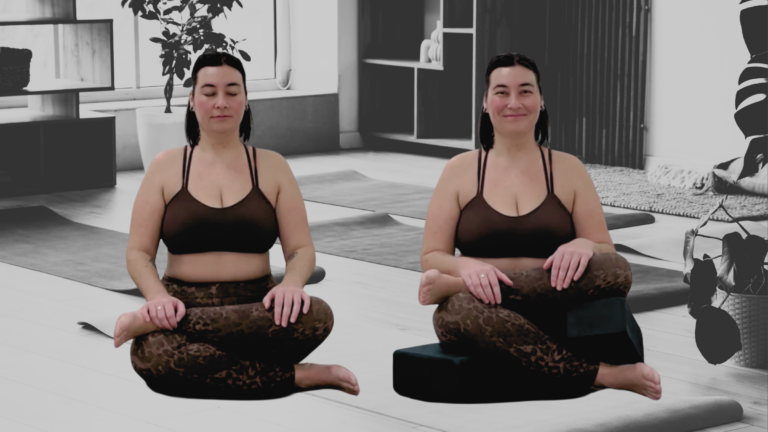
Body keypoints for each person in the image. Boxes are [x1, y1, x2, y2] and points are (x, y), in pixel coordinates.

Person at [113, 51, 359, 399]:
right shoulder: (166, 167)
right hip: (181, 300)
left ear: (245, 100)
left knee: (317, 315)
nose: (221, 102)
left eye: (232, 91)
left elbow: (301, 249)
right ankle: (296, 376)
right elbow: (139, 253)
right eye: (209, 92)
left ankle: (179, 337)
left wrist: (291, 284)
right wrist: (156, 298)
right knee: (151, 356)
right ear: (192, 101)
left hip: (256, 307)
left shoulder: (272, 167)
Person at [417, 52, 661, 400]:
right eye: (501, 92)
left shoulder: (568, 168)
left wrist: (585, 245)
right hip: (484, 313)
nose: (513, 102)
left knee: (616, 267)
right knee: (455, 310)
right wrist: (465, 264)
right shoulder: (459, 170)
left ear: (541, 101)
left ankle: (455, 287)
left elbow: (608, 258)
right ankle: (603, 375)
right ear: (485, 103)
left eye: (525, 91)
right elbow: (431, 256)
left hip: (556, 306)